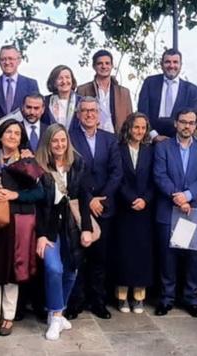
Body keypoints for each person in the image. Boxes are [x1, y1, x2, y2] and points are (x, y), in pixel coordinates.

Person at [0, 119, 45, 339]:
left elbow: (40, 193)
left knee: (12, 272)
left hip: (16, 225)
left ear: (21, 138)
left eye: (17, 133)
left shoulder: (27, 161)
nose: (12, 136)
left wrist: (16, 195)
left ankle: (9, 317)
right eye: (8, 132)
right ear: (1, 135)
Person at [36, 123, 97, 340]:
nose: (59, 144)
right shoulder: (40, 167)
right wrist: (41, 235)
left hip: (71, 226)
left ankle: (58, 314)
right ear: (48, 143)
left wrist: (87, 229)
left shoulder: (77, 164)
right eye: (55, 141)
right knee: (54, 269)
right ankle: (55, 316)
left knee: (72, 270)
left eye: (63, 140)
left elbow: (84, 199)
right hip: (49, 227)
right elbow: (38, 205)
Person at [152, 108, 197, 317]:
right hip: (168, 209)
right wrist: (176, 196)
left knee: (193, 258)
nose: (187, 126)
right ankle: (167, 298)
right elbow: (159, 175)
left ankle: (191, 299)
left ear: (196, 125)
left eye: (191, 122)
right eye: (183, 122)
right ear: (176, 124)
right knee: (168, 258)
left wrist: (187, 196)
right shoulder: (163, 147)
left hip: (194, 210)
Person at [65, 96, 122, 319]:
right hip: (79, 206)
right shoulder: (69, 138)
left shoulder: (110, 139)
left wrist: (101, 198)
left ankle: (98, 301)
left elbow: (116, 172)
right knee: (78, 256)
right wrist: (88, 199)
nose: (89, 114)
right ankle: (76, 301)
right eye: (85, 110)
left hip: (104, 207)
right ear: (78, 114)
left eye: (93, 111)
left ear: (99, 115)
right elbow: (69, 171)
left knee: (100, 257)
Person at [111, 113, 156, 313]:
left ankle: (139, 295)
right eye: (136, 127)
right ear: (128, 128)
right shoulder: (118, 149)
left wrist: (145, 200)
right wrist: (130, 199)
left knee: (142, 253)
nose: (139, 131)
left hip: (144, 209)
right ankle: (121, 295)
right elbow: (117, 178)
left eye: (143, 128)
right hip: (124, 208)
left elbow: (155, 179)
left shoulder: (150, 150)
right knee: (123, 251)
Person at [137, 48, 197, 138]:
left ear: (181, 65)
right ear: (161, 64)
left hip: (179, 141)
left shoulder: (192, 90)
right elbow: (142, 112)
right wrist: (153, 136)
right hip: (150, 140)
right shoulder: (150, 83)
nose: (171, 65)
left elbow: (191, 119)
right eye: (167, 62)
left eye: (175, 62)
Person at [76, 49, 134, 133]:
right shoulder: (83, 90)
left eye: (107, 63)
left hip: (118, 139)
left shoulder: (124, 92)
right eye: (100, 63)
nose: (104, 66)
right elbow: (78, 118)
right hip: (92, 137)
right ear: (94, 66)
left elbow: (130, 120)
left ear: (112, 66)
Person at [0, 45, 40, 119]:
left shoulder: (31, 84)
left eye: (10, 59)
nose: (7, 62)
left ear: (19, 61)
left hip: (22, 129)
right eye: (3, 59)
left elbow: (36, 111)